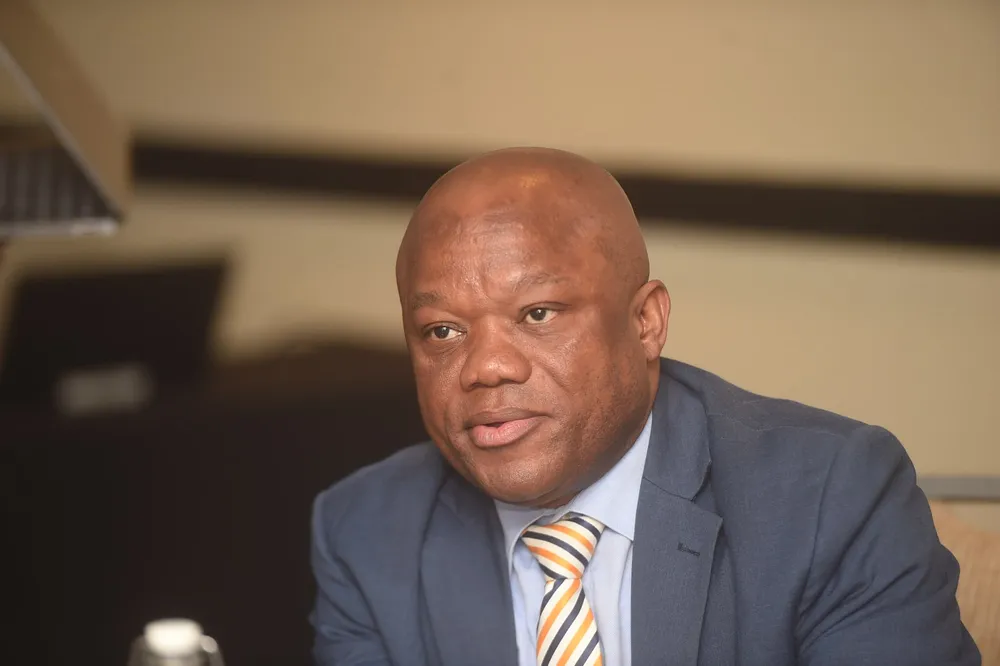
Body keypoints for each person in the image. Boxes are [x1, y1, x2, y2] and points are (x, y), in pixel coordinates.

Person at [309, 148, 979, 666]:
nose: (486, 367)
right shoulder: (366, 532)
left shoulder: (829, 499)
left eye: (537, 313)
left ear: (646, 322)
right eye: (442, 331)